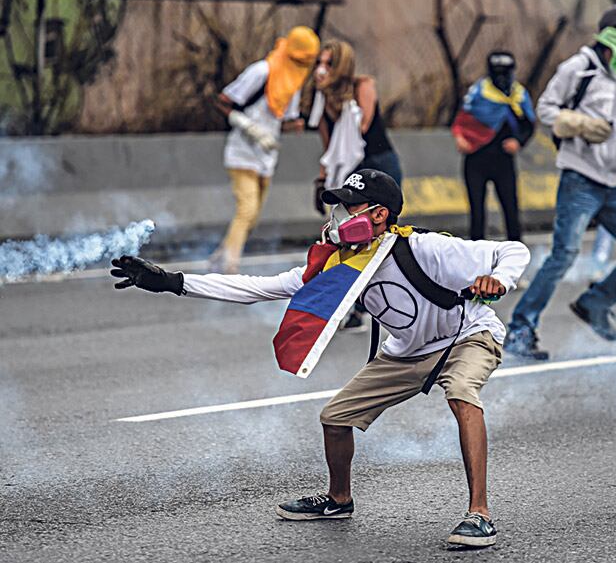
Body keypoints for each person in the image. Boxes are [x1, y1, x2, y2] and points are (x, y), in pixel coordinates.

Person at [109, 169, 529, 549]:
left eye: (349, 207)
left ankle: (480, 515)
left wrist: (500, 279)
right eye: (338, 207)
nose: (337, 216)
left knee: (460, 390)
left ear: (380, 214)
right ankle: (338, 499)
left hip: (465, 336)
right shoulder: (337, 264)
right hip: (406, 353)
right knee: (334, 416)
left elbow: (513, 251)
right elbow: (258, 287)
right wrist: (172, 282)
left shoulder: (425, 248)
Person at [503, 4, 616, 361]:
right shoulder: (579, 67)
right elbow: (546, 110)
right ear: (611, 32)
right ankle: (520, 330)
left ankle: (595, 303)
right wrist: (580, 125)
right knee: (564, 255)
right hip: (580, 179)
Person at [300, 39, 404, 331]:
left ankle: (390, 297)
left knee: (380, 237)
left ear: (341, 65)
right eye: (319, 63)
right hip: (351, 172)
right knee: (347, 237)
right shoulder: (322, 100)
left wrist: (338, 100)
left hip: (380, 167)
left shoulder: (362, 86)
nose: (322, 69)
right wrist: (322, 180)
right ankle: (354, 307)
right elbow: (330, 145)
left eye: (328, 63)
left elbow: (361, 127)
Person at [209, 26, 320, 273]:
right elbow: (223, 101)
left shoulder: (293, 81)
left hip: (267, 156)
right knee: (246, 209)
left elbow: (282, 118)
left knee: (253, 217)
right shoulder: (261, 71)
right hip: (242, 153)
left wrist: (295, 124)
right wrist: (247, 125)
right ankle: (230, 265)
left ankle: (221, 254)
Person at [452, 50, 536, 241]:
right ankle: (476, 254)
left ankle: (516, 251)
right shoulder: (479, 91)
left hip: (503, 160)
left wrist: (518, 142)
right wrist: (460, 137)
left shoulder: (519, 94)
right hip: (476, 158)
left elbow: (529, 125)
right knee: (477, 213)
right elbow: (461, 119)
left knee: (511, 209)